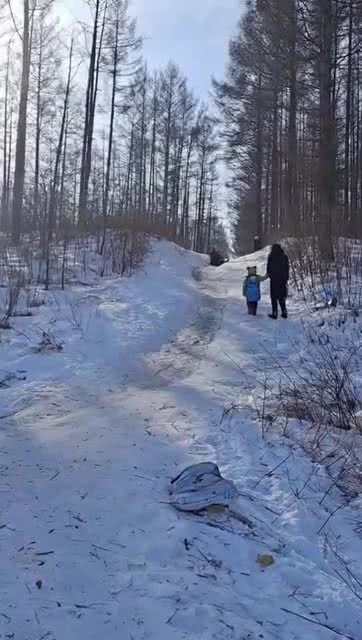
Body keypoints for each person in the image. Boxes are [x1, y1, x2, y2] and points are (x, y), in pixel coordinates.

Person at [267, 243, 289, 319]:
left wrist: (270, 275)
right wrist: (286, 278)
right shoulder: (284, 257)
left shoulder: (271, 257)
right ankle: (284, 311)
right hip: (282, 280)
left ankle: (274, 312)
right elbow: (287, 268)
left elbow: (268, 268)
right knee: (281, 296)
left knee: (273, 297)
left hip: (274, 280)